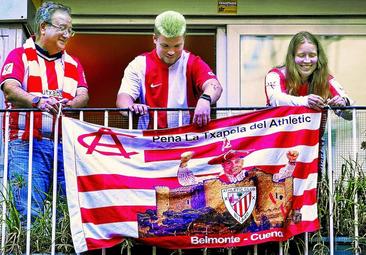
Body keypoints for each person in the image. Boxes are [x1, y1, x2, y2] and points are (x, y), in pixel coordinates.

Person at [0, 1, 89, 220]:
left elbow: (84, 95)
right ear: (43, 27)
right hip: (25, 145)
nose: (67, 34)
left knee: (66, 212)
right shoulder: (19, 55)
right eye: (62, 28)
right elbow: (10, 90)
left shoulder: (73, 63)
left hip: (64, 145)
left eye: (70, 30)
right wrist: (37, 101)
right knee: (29, 210)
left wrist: (72, 104)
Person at [116, 10, 222, 129]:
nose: (171, 52)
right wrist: (131, 107)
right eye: (165, 46)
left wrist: (205, 99)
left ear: (184, 40)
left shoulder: (192, 62)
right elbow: (123, 98)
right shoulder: (139, 64)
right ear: (155, 39)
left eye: (177, 46)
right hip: (149, 141)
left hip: (187, 140)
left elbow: (214, 85)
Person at [265, 31, 352, 112]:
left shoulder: (325, 78)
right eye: (301, 55)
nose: (307, 60)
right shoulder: (275, 75)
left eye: (312, 55)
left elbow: (350, 114)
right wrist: (306, 101)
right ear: (292, 57)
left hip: (314, 129)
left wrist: (343, 104)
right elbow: (275, 100)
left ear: (318, 57)